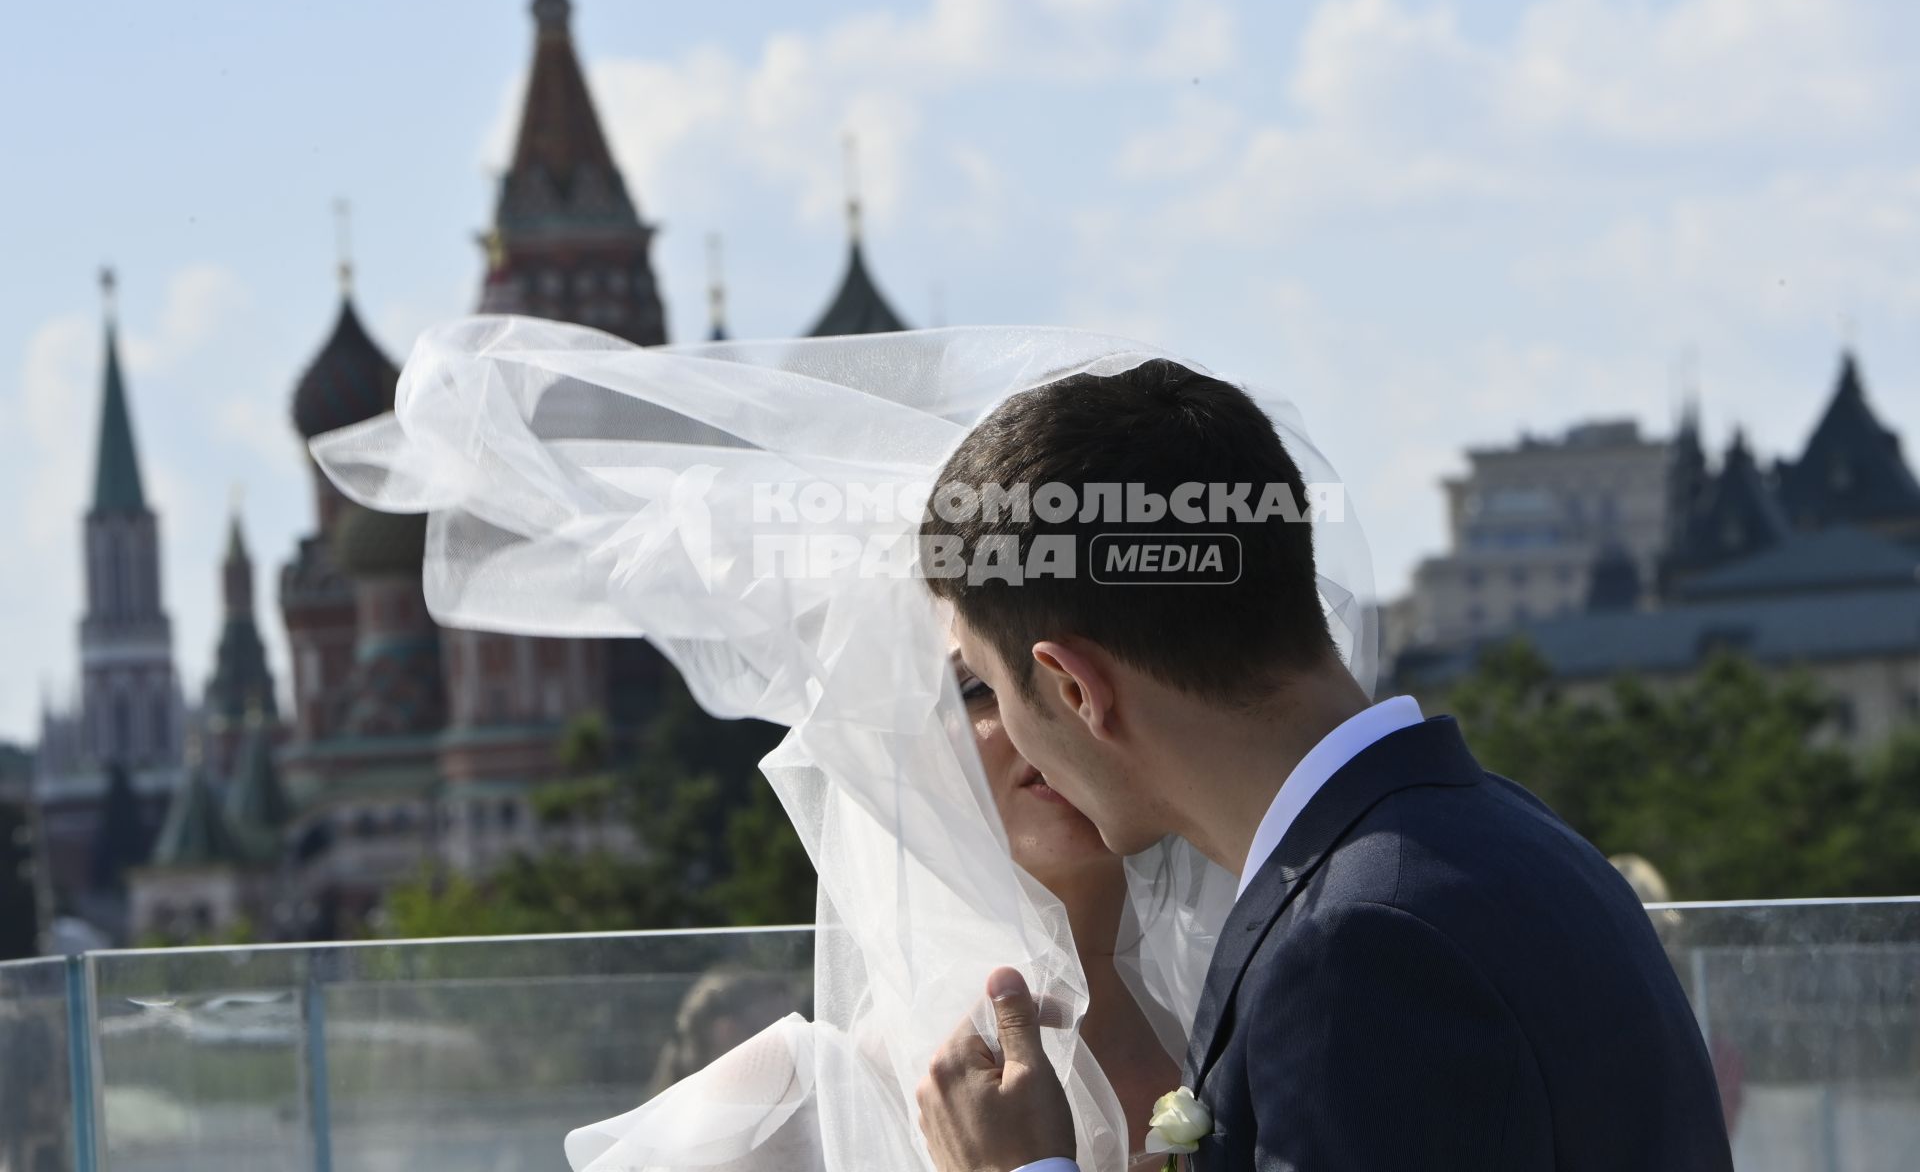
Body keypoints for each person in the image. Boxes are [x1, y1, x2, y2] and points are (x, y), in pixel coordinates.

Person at [312, 320, 1378, 1170]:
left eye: (1048, 675)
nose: (1029, 720)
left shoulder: (1252, 1030)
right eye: (973, 689)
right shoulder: (776, 1111)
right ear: (894, 739)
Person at [914, 359, 1734, 1170]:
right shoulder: (1523, 838)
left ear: (1072, 687)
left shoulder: (1356, 948)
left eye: (991, 684)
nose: (1010, 731)